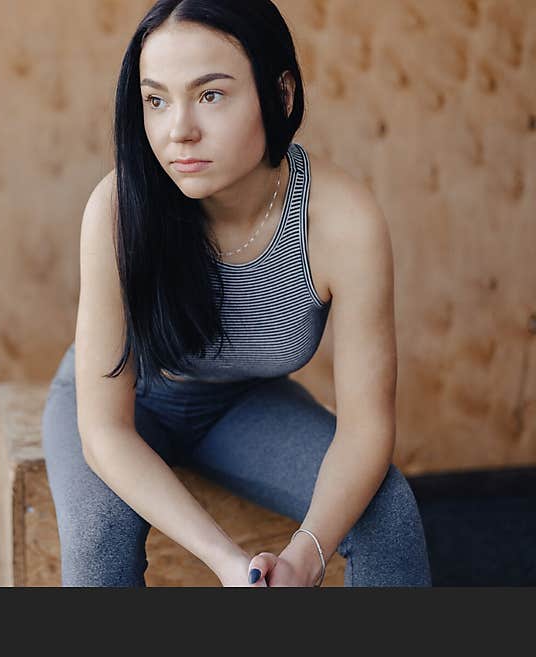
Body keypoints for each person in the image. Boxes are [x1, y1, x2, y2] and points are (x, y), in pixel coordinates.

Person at [41, 0, 432, 587]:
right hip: (127, 407)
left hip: (241, 408)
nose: (179, 130)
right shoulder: (119, 209)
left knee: (389, 511)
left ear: (282, 95)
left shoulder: (342, 220)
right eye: (156, 100)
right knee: (100, 539)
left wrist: (307, 554)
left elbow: (366, 428)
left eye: (211, 94)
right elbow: (106, 431)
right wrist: (227, 561)